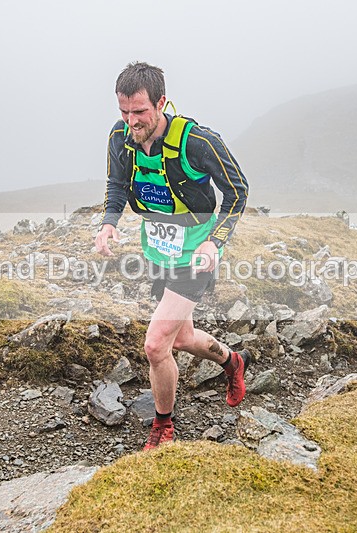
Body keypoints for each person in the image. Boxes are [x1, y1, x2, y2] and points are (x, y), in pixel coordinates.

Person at [95, 62, 250, 450]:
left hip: (194, 256)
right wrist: (109, 223)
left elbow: (238, 192)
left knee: (155, 345)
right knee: (182, 337)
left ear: (161, 102)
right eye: (124, 112)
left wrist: (214, 242)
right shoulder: (120, 136)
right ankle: (233, 361)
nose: (132, 121)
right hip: (158, 251)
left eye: (140, 112)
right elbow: (116, 183)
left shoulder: (197, 141)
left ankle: (163, 429)